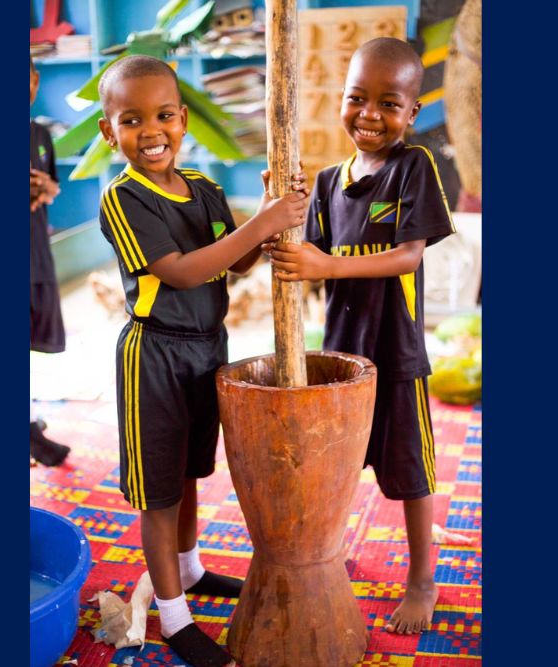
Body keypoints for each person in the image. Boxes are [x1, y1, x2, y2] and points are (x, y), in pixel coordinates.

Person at [96, 55, 309, 667]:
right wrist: (262, 223)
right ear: (110, 133)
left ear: (183, 119)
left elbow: (234, 262)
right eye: (131, 120)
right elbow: (183, 271)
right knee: (159, 490)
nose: (151, 130)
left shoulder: (208, 189)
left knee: (189, 471)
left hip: (206, 350)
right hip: (154, 357)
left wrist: (271, 212)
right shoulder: (123, 198)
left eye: (163, 115)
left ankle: (188, 572)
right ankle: (173, 616)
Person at [267, 37, 456, 635]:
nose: (370, 115)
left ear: (412, 112)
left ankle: (423, 578)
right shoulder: (327, 182)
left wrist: (327, 267)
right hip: (341, 356)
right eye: (357, 99)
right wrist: (283, 205)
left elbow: (406, 256)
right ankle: (330, 553)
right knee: (338, 464)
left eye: (389, 103)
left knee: (410, 470)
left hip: (395, 353)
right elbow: (309, 255)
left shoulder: (413, 168)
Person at [30, 56, 71, 467]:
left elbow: (52, 185)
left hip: (36, 257)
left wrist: (46, 189)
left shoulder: (40, 134)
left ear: (35, 82)